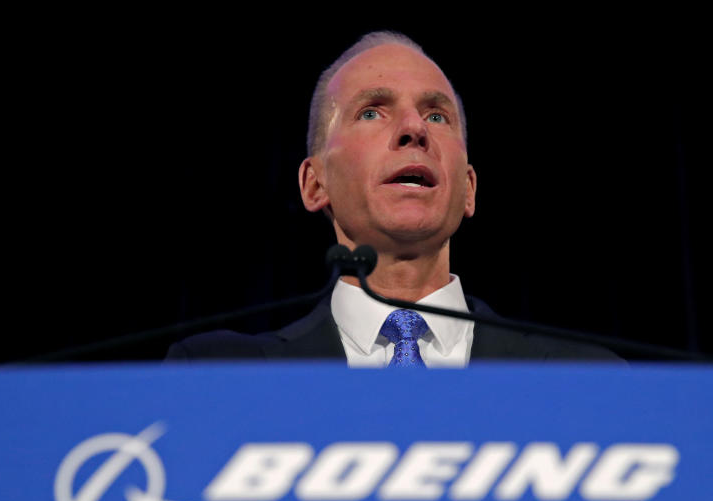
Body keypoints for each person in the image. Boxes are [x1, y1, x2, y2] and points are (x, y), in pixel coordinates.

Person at [166, 31, 620, 366]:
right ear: (314, 184)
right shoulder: (220, 373)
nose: (415, 129)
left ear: (469, 188)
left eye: (437, 115)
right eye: (371, 111)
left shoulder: (583, 377)